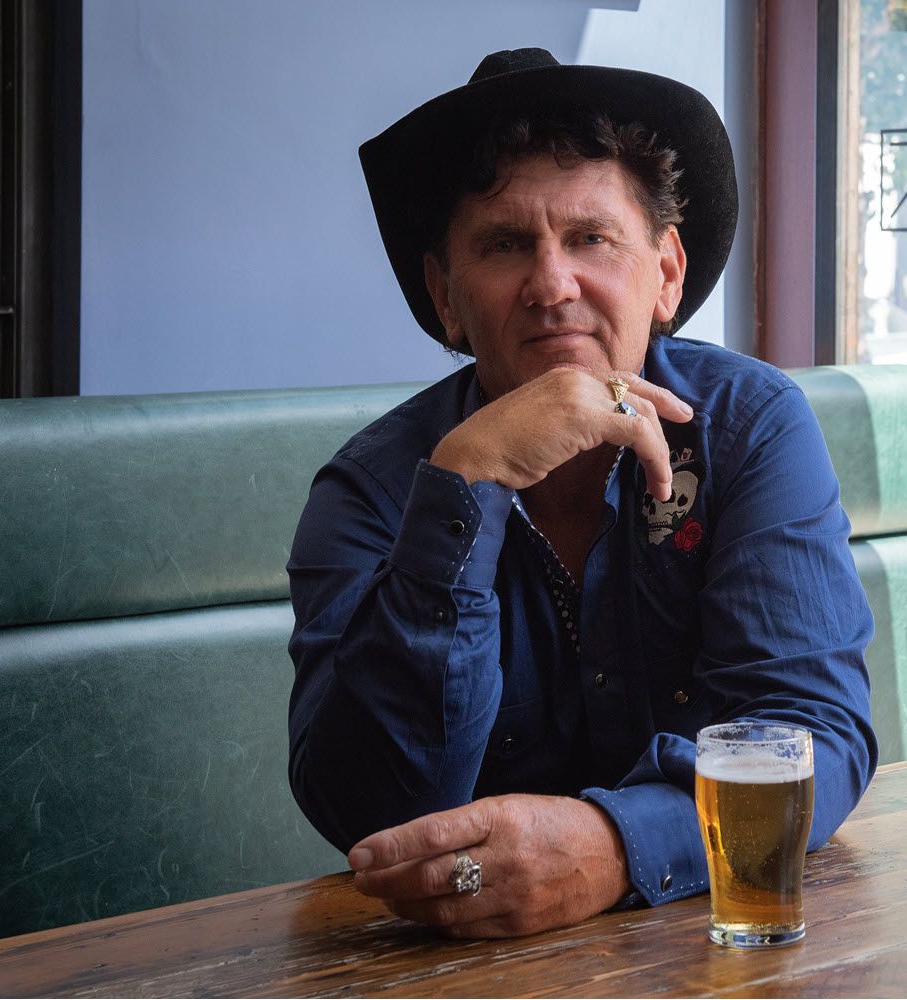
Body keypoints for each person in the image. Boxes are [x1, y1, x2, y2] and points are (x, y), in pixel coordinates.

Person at [286, 48, 877, 939]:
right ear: (446, 298)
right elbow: (374, 810)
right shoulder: (369, 490)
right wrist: (467, 484)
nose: (552, 286)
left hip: (712, 936)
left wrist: (613, 848)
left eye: (592, 238)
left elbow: (811, 734)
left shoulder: (751, 429)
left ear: (666, 274)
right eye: (504, 245)